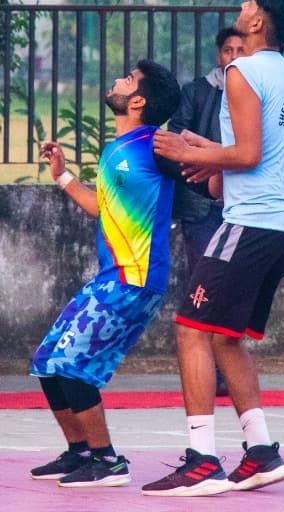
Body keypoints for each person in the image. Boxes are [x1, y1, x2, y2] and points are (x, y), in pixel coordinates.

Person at [144, 0, 284, 497]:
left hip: (252, 223)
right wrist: (207, 155)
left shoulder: (242, 71)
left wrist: (186, 152)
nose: (241, 5)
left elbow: (248, 154)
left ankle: (201, 461)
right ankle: (261, 452)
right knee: (224, 337)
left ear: (257, 21)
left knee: (191, 328)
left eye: (249, 2)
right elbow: (250, 157)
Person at [30, 60, 184, 488]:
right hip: (110, 277)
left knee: (71, 364)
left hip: (135, 280)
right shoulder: (117, 148)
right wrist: (62, 175)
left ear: (137, 101)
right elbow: (101, 208)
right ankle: (80, 452)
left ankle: (108, 461)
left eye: (128, 79)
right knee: (47, 361)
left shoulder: (156, 145)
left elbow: (200, 167)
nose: (117, 80)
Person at [168, 26, 247, 276]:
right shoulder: (196, 91)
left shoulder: (256, 94)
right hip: (202, 205)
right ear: (218, 56)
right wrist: (213, 159)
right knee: (203, 278)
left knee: (237, 278)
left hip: (243, 202)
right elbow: (177, 138)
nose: (234, 57)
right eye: (228, 50)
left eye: (241, 51)